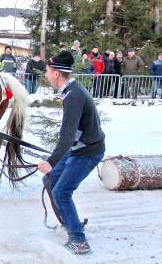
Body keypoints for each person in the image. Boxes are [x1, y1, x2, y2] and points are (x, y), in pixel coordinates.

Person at [38, 50, 105, 255]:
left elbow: (67, 137)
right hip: (79, 148)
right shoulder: (71, 91)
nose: (47, 75)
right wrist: (53, 164)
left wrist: (50, 160)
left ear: (56, 73)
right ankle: (70, 222)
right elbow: (70, 135)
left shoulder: (73, 95)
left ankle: (79, 240)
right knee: (50, 180)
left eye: (48, 71)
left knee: (62, 191)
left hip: (88, 152)